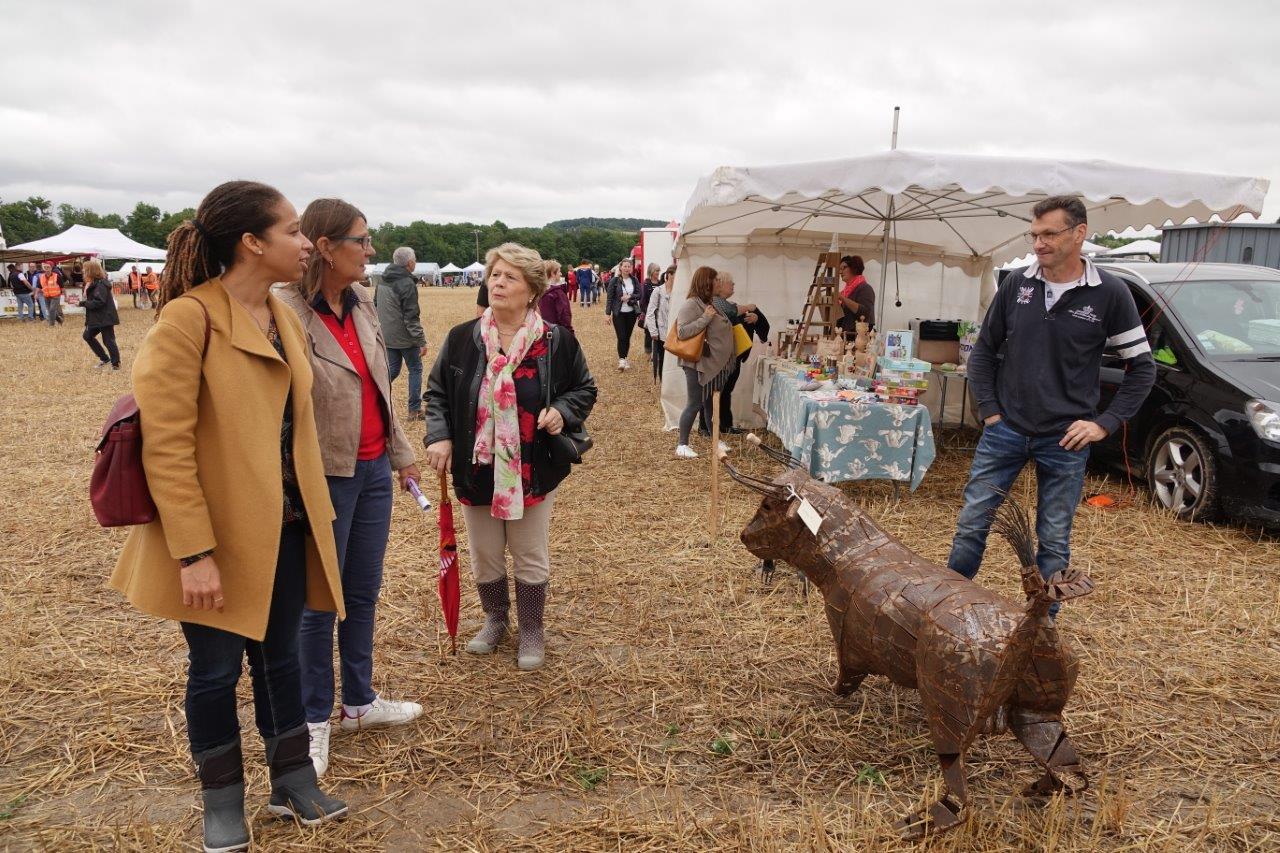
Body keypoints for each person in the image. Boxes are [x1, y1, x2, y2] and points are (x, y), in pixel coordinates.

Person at [109, 180, 349, 853]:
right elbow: (167, 446)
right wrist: (193, 553)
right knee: (214, 671)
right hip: (216, 540)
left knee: (280, 662)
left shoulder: (280, 313)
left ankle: (293, 781)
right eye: (294, 231)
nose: (306, 244)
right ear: (252, 242)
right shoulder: (188, 320)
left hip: (286, 530)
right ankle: (221, 802)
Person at [947, 196, 1156, 617]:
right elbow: (984, 352)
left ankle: (1040, 631)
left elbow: (1143, 368)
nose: (1038, 244)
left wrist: (1104, 424)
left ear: (1079, 233)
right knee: (973, 523)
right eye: (1034, 234)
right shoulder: (1016, 285)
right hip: (1005, 430)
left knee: (1054, 539)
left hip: (1065, 440)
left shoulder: (1109, 293)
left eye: (1048, 234)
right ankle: (944, 605)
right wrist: (990, 410)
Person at [277, 198, 425, 779]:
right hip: (323, 476)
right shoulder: (284, 310)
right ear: (325, 246)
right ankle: (315, 718)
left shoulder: (361, 299)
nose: (370, 251)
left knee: (362, 591)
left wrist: (401, 455)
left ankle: (358, 702)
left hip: (372, 472)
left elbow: (377, 387)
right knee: (320, 601)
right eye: (360, 241)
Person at [424, 242, 596, 671]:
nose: (497, 282)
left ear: (531, 290)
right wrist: (440, 436)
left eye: (509, 277)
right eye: (494, 274)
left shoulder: (556, 341)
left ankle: (532, 629)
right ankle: (496, 620)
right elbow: (438, 393)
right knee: (484, 550)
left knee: (528, 550)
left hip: (530, 466)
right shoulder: (463, 339)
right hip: (476, 465)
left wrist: (561, 411)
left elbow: (584, 389)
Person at [672, 266, 735, 459]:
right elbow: (682, 332)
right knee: (695, 403)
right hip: (697, 364)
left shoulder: (709, 303)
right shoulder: (692, 304)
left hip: (709, 364)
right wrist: (705, 318)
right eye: (715, 280)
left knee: (710, 403)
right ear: (706, 282)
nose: (719, 283)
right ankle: (682, 444)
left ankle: (714, 439)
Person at [377, 247, 428, 421]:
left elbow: (376, 304)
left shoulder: (382, 279)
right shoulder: (406, 283)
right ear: (410, 263)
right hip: (405, 337)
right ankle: (414, 410)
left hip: (387, 334)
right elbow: (411, 317)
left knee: (393, 370)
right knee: (415, 369)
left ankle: (373, 396)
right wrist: (421, 341)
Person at [711, 271, 758, 435]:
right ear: (721, 285)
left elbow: (734, 311)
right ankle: (719, 425)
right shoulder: (718, 302)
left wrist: (752, 317)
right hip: (723, 354)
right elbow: (730, 311)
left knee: (725, 389)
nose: (733, 285)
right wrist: (749, 308)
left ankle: (724, 424)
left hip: (730, 353)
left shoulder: (724, 302)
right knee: (722, 390)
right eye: (730, 283)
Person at [80, 260, 120, 369]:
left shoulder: (101, 284)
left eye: (85, 271)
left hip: (105, 318)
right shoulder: (93, 283)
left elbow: (99, 302)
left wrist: (83, 303)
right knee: (87, 336)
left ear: (90, 271)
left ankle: (116, 364)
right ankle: (104, 358)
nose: (83, 273)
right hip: (97, 318)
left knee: (108, 341)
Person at [604, 258, 642, 370]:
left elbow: (639, 294)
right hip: (618, 313)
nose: (626, 268)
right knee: (621, 337)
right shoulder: (614, 281)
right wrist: (607, 314)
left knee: (627, 337)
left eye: (628, 266)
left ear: (631, 268)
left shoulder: (634, 280)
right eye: (624, 266)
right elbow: (609, 298)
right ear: (620, 268)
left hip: (631, 313)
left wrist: (630, 296)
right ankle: (621, 360)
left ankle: (625, 358)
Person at [643, 266, 675, 381]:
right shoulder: (659, 291)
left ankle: (672, 383)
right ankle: (663, 383)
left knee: (675, 360)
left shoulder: (680, 291)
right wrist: (653, 331)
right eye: (676, 274)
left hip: (676, 332)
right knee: (662, 359)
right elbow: (650, 312)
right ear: (670, 275)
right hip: (661, 333)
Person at [836, 255, 874, 336]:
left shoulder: (865, 288)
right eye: (840, 269)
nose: (840, 272)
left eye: (844, 267)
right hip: (846, 336)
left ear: (854, 268)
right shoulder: (845, 292)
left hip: (857, 338)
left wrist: (842, 298)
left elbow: (864, 313)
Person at [538, 259, 574, 336]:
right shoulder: (557, 293)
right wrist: (570, 334)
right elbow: (565, 316)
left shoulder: (537, 292)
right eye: (559, 271)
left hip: (540, 333)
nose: (561, 274)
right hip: (557, 334)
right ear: (552, 273)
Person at [637, 262, 661, 355]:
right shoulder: (646, 284)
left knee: (659, 332)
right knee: (648, 332)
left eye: (659, 271)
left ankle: (657, 352)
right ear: (651, 271)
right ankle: (648, 351)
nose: (658, 272)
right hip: (649, 313)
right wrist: (649, 312)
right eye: (656, 271)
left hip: (660, 313)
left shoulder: (660, 283)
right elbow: (642, 301)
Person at [39, 261, 64, 326]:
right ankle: (59, 319)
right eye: (45, 267)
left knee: (52, 309)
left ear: (51, 268)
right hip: (46, 296)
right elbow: (39, 287)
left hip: (56, 296)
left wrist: (66, 296)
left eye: (48, 267)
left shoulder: (57, 276)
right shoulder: (41, 277)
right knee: (50, 310)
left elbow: (62, 287)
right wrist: (36, 294)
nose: (46, 268)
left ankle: (51, 325)